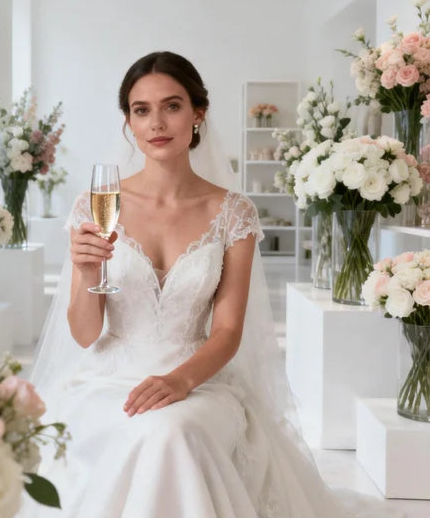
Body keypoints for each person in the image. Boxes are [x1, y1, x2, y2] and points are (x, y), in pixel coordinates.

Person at [27, 52, 392, 517]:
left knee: (171, 432)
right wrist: (84, 272)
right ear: (128, 122)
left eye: (172, 105)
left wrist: (180, 381)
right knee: (154, 432)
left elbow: (227, 331)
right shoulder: (98, 203)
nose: (157, 122)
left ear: (198, 113)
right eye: (142, 110)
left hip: (200, 380)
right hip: (108, 381)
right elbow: (83, 334)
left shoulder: (233, 212)